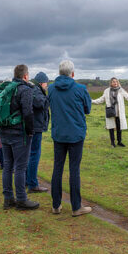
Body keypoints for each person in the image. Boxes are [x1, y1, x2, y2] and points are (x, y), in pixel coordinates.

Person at [48, 60, 92, 216]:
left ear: (60, 73)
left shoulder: (51, 89)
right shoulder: (80, 89)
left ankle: (56, 205)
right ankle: (76, 207)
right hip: (75, 134)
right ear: (72, 73)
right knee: (74, 169)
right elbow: (88, 109)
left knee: (57, 168)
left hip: (59, 133)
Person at [0, 65, 39, 210]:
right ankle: (22, 199)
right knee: (21, 167)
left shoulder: (7, 88)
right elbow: (28, 113)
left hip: (4, 132)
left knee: (8, 166)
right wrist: (30, 131)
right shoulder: (26, 90)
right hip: (19, 134)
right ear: (26, 76)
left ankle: (8, 198)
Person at [92, 77, 128, 148]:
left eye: (116, 82)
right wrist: (91, 101)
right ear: (111, 83)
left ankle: (119, 142)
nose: (115, 83)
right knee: (111, 127)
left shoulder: (121, 90)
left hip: (119, 112)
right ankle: (112, 143)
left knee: (119, 127)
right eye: (113, 82)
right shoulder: (106, 91)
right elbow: (101, 100)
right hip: (110, 111)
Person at [26, 72, 50, 193]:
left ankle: (27, 180)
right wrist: (48, 97)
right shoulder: (36, 90)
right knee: (34, 154)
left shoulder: (32, 89)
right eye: (46, 82)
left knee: (30, 154)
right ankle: (33, 184)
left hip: (32, 125)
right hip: (35, 126)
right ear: (41, 82)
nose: (47, 85)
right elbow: (40, 104)